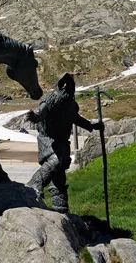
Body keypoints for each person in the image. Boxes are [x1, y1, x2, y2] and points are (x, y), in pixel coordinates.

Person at [26, 72, 104, 213]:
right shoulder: (49, 100)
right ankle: (34, 184)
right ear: (59, 85)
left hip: (62, 142)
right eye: (64, 84)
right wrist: (34, 117)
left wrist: (92, 126)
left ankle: (60, 207)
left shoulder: (71, 105)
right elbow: (40, 114)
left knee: (59, 175)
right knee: (55, 161)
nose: (67, 86)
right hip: (48, 140)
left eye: (70, 84)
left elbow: (77, 119)